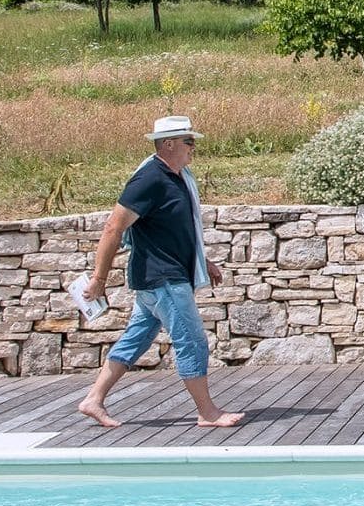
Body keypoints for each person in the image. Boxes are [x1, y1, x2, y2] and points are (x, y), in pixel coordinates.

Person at [77, 114, 245, 428]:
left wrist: (203, 261)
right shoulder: (149, 179)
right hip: (162, 278)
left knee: (136, 339)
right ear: (168, 144)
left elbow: (178, 229)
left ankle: (93, 399)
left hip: (163, 276)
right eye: (188, 141)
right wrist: (99, 279)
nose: (193, 147)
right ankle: (207, 412)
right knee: (191, 340)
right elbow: (113, 227)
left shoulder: (177, 176)